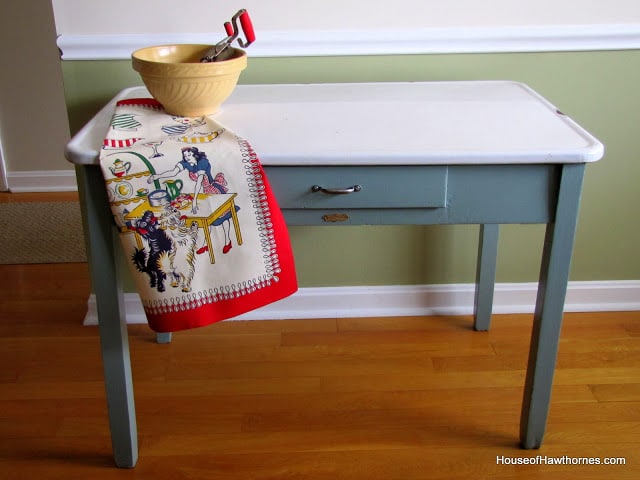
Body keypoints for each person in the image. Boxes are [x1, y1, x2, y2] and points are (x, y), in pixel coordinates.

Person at [148, 147, 238, 255]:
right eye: (185, 156)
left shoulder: (202, 162)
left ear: (194, 155)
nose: (187, 158)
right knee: (206, 219)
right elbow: (173, 172)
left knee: (223, 216)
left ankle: (227, 241)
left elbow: (199, 182)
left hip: (213, 191)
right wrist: (156, 176)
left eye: (189, 155)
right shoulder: (186, 164)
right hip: (203, 194)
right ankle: (206, 244)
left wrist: (195, 200)